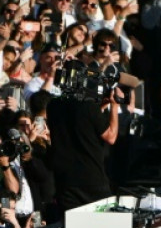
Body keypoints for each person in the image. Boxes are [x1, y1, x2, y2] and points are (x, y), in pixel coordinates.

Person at [46, 84, 120, 214]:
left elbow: (81, 123)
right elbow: (111, 136)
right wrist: (115, 106)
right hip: (92, 181)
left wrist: (100, 108)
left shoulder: (52, 106)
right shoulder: (89, 107)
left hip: (65, 182)